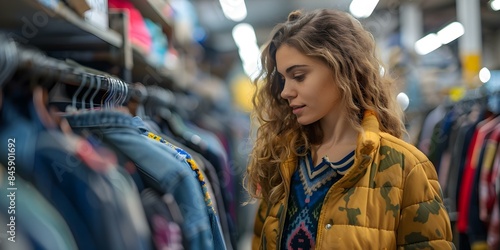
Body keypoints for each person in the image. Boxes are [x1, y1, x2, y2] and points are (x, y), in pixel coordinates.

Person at [244, 8, 455, 249]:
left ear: (341, 68)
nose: (285, 91)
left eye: (299, 76)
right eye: (283, 79)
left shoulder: (404, 168)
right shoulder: (282, 160)